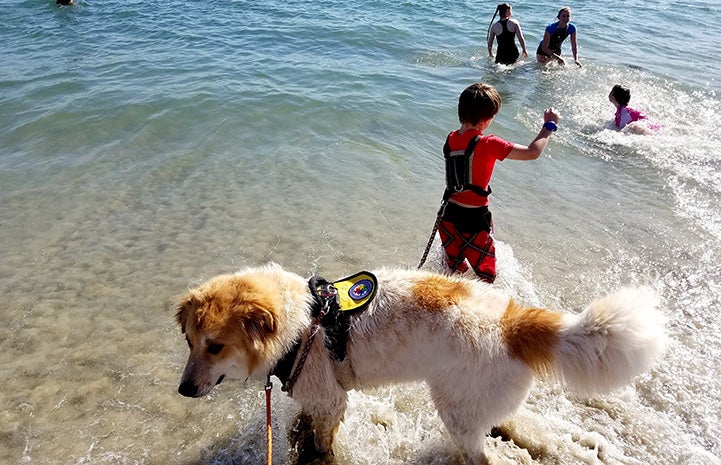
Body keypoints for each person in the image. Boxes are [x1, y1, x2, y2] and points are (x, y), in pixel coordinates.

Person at [437, 82, 561, 283]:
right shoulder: (489, 143)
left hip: (448, 217)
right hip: (474, 221)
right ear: (487, 120)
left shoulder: (451, 138)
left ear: (461, 112)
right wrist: (549, 127)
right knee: (486, 277)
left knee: (453, 273)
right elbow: (532, 153)